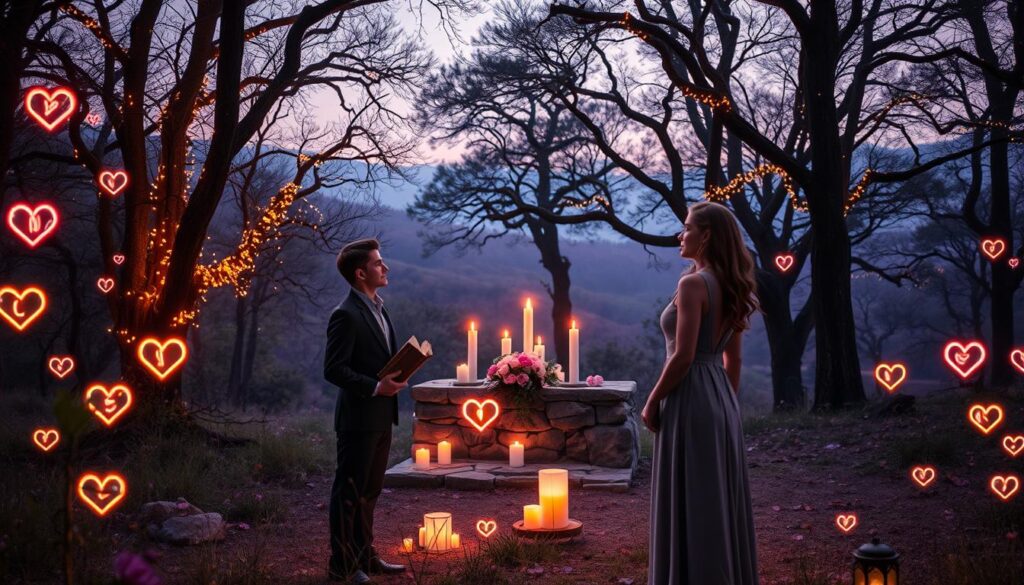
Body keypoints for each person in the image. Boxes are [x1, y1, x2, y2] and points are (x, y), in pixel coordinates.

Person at [642, 202, 760, 584]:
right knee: (714, 500)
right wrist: (726, 406)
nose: (681, 235)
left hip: (689, 395)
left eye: (688, 228)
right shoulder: (730, 284)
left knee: (692, 498)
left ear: (706, 235)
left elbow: (683, 356)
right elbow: (735, 361)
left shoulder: (692, 284)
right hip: (720, 399)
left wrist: (652, 400)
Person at [324, 238, 408, 584]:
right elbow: (333, 369)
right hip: (358, 419)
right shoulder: (345, 315)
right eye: (377, 264)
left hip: (381, 416)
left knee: (369, 492)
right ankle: (341, 565)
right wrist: (376, 387)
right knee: (349, 493)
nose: (384, 268)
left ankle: (365, 556)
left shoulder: (379, 307)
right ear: (361, 273)